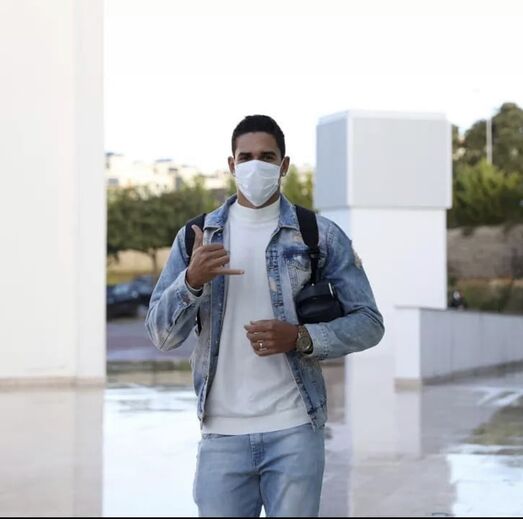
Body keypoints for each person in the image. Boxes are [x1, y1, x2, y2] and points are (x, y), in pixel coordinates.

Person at [145, 114, 385, 517]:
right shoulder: (196, 237)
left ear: (284, 165)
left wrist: (301, 337)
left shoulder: (319, 235)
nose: (256, 165)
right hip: (221, 433)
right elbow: (161, 335)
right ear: (232, 164)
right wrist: (191, 281)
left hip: (294, 428)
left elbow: (369, 323)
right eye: (246, 157)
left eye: (267, 157)